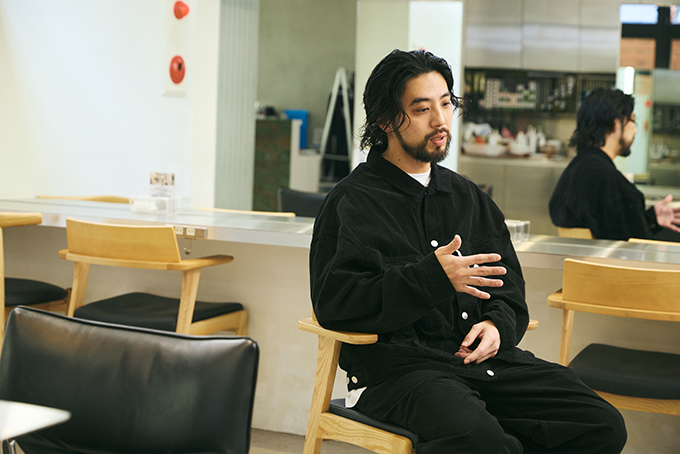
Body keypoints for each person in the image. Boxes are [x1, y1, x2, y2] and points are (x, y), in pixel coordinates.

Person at [309, 49, 627, 454]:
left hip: (485, 365)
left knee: (600, 424)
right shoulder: (351, 203)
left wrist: (496, 327)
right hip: (398, 375)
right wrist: (430, 278)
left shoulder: (470, 199)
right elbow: (335, 304)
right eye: (422, 109)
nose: (440, 121)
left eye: (446, 104)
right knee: (481, 441)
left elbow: (509, 292)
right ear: (385, 121)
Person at [550, 87, 680, 240]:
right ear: (616, 124)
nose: (635, 130)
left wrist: (652, 218)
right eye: (632, 121)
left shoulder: (576, 169)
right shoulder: (610, 182)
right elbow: (635, 246)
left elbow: (614, 230)